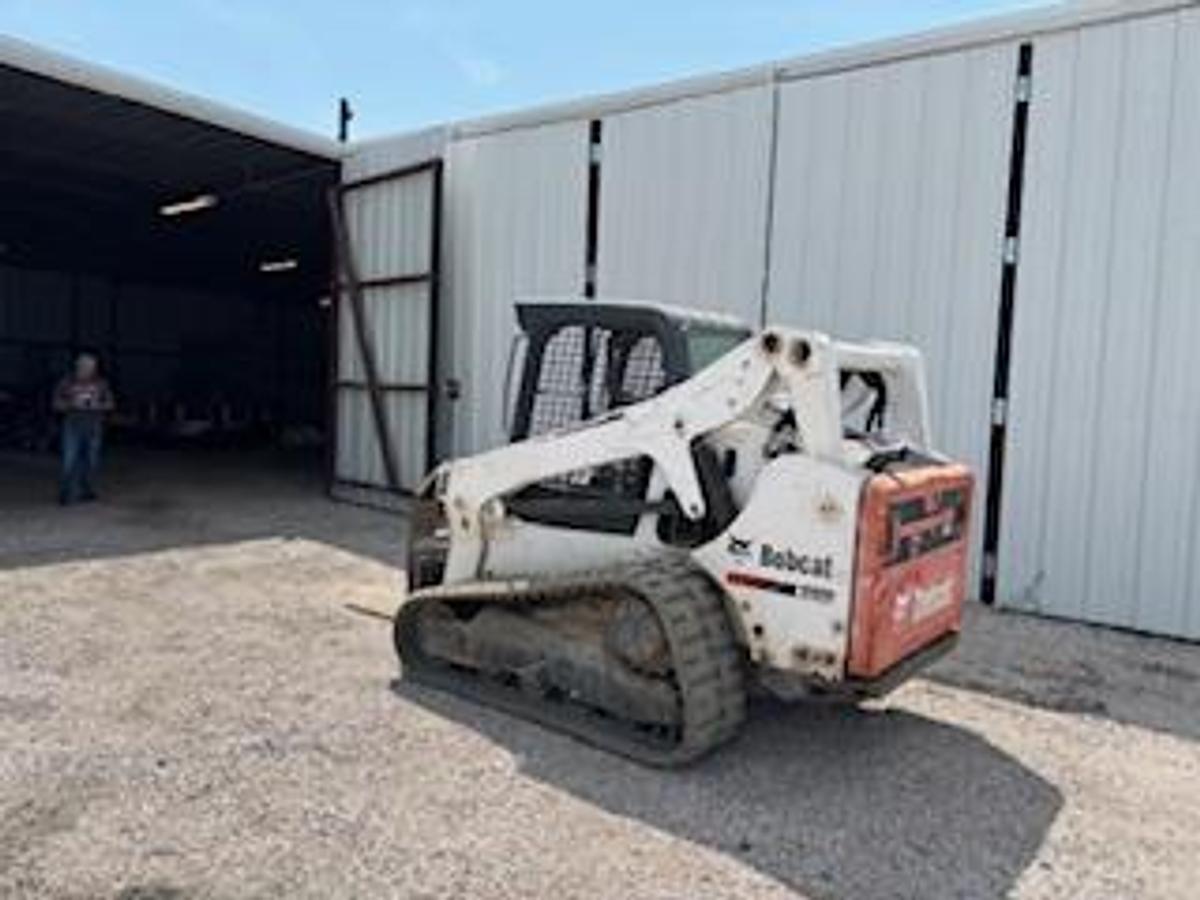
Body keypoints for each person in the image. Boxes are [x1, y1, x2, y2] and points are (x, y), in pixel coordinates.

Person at [52, 353, 115, 505]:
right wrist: (70, 404)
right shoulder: (66, 382)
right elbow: (56, 404)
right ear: (77, 366)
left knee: (90, 461)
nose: (87, 369)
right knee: (69, 460)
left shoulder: (101, 384)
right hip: (72, 426)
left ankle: (87, 489)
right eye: (84, 366)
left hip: (93, 427)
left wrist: (96, 405)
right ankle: (66, 494)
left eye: (91, 367)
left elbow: (111, 404)